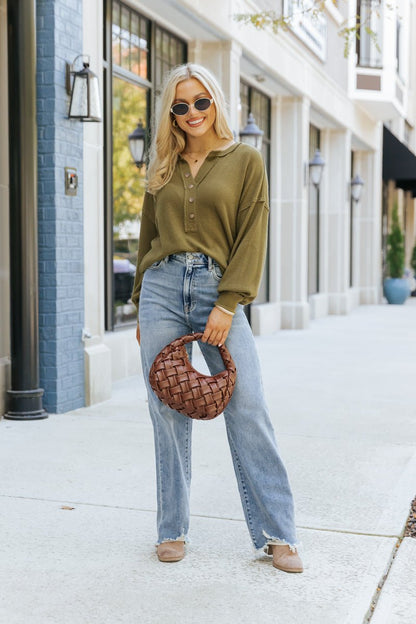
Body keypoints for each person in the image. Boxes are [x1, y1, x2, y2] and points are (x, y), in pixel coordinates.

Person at [132, 63, 303, 573]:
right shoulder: (162, 164)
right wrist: (140, 298)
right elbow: (146, 237)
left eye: (200, 101)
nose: (191, 113)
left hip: (215, 288)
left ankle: (279, 533)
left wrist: (229, 303)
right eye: (180, 106)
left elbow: (253, 233)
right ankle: (172, 529)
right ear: (171, 112)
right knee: (166, 410)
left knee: (247, 406)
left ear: (216, 102)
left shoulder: (245, 159)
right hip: (161, 288)